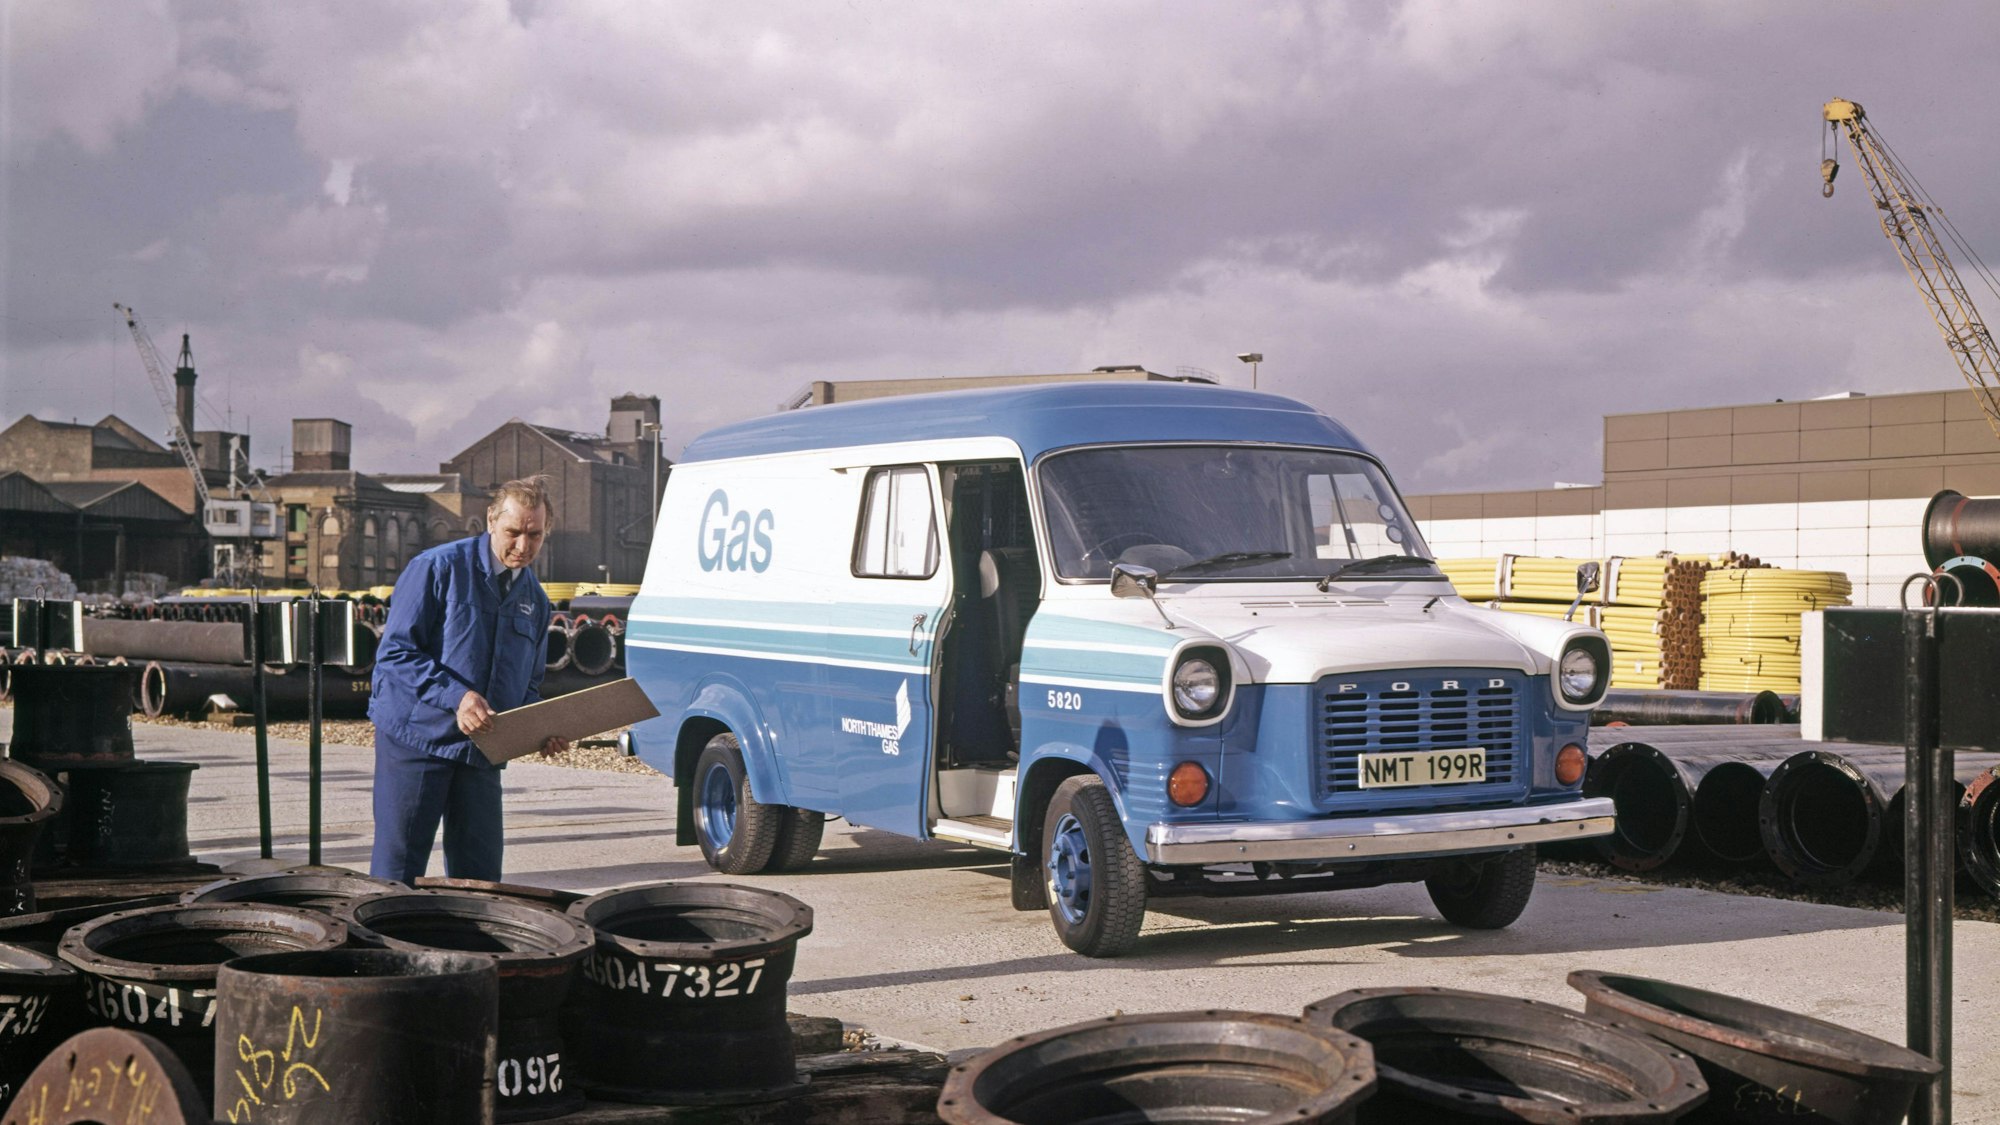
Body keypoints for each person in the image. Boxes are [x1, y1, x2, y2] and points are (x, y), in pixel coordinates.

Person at [368, 476, 568, 883]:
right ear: (491, 520)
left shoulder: (536, 599)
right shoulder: (436, 568)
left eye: (534, 535)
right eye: (513, 532)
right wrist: (457, 697)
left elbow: (529, 683)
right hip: (417, 737)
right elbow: (395, 654)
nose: (523, 546)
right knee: (398, 872)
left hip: (481, 750)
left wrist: (536, 732)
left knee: (479, 879)